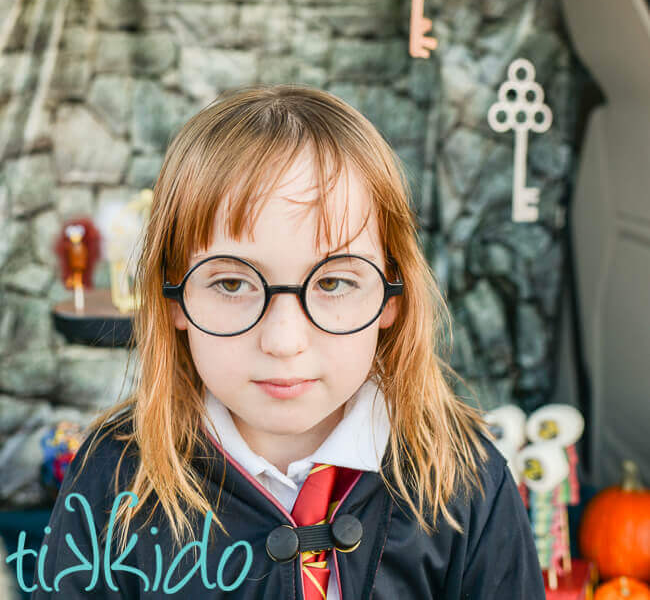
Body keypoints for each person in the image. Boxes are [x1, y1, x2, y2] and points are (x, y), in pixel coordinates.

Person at [30, 84, 545, 598]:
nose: (282, 340)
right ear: (173, 300)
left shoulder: (465, 478)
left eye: (333, 282)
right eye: (231, 283)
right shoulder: (112, 478)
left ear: (393, 297)